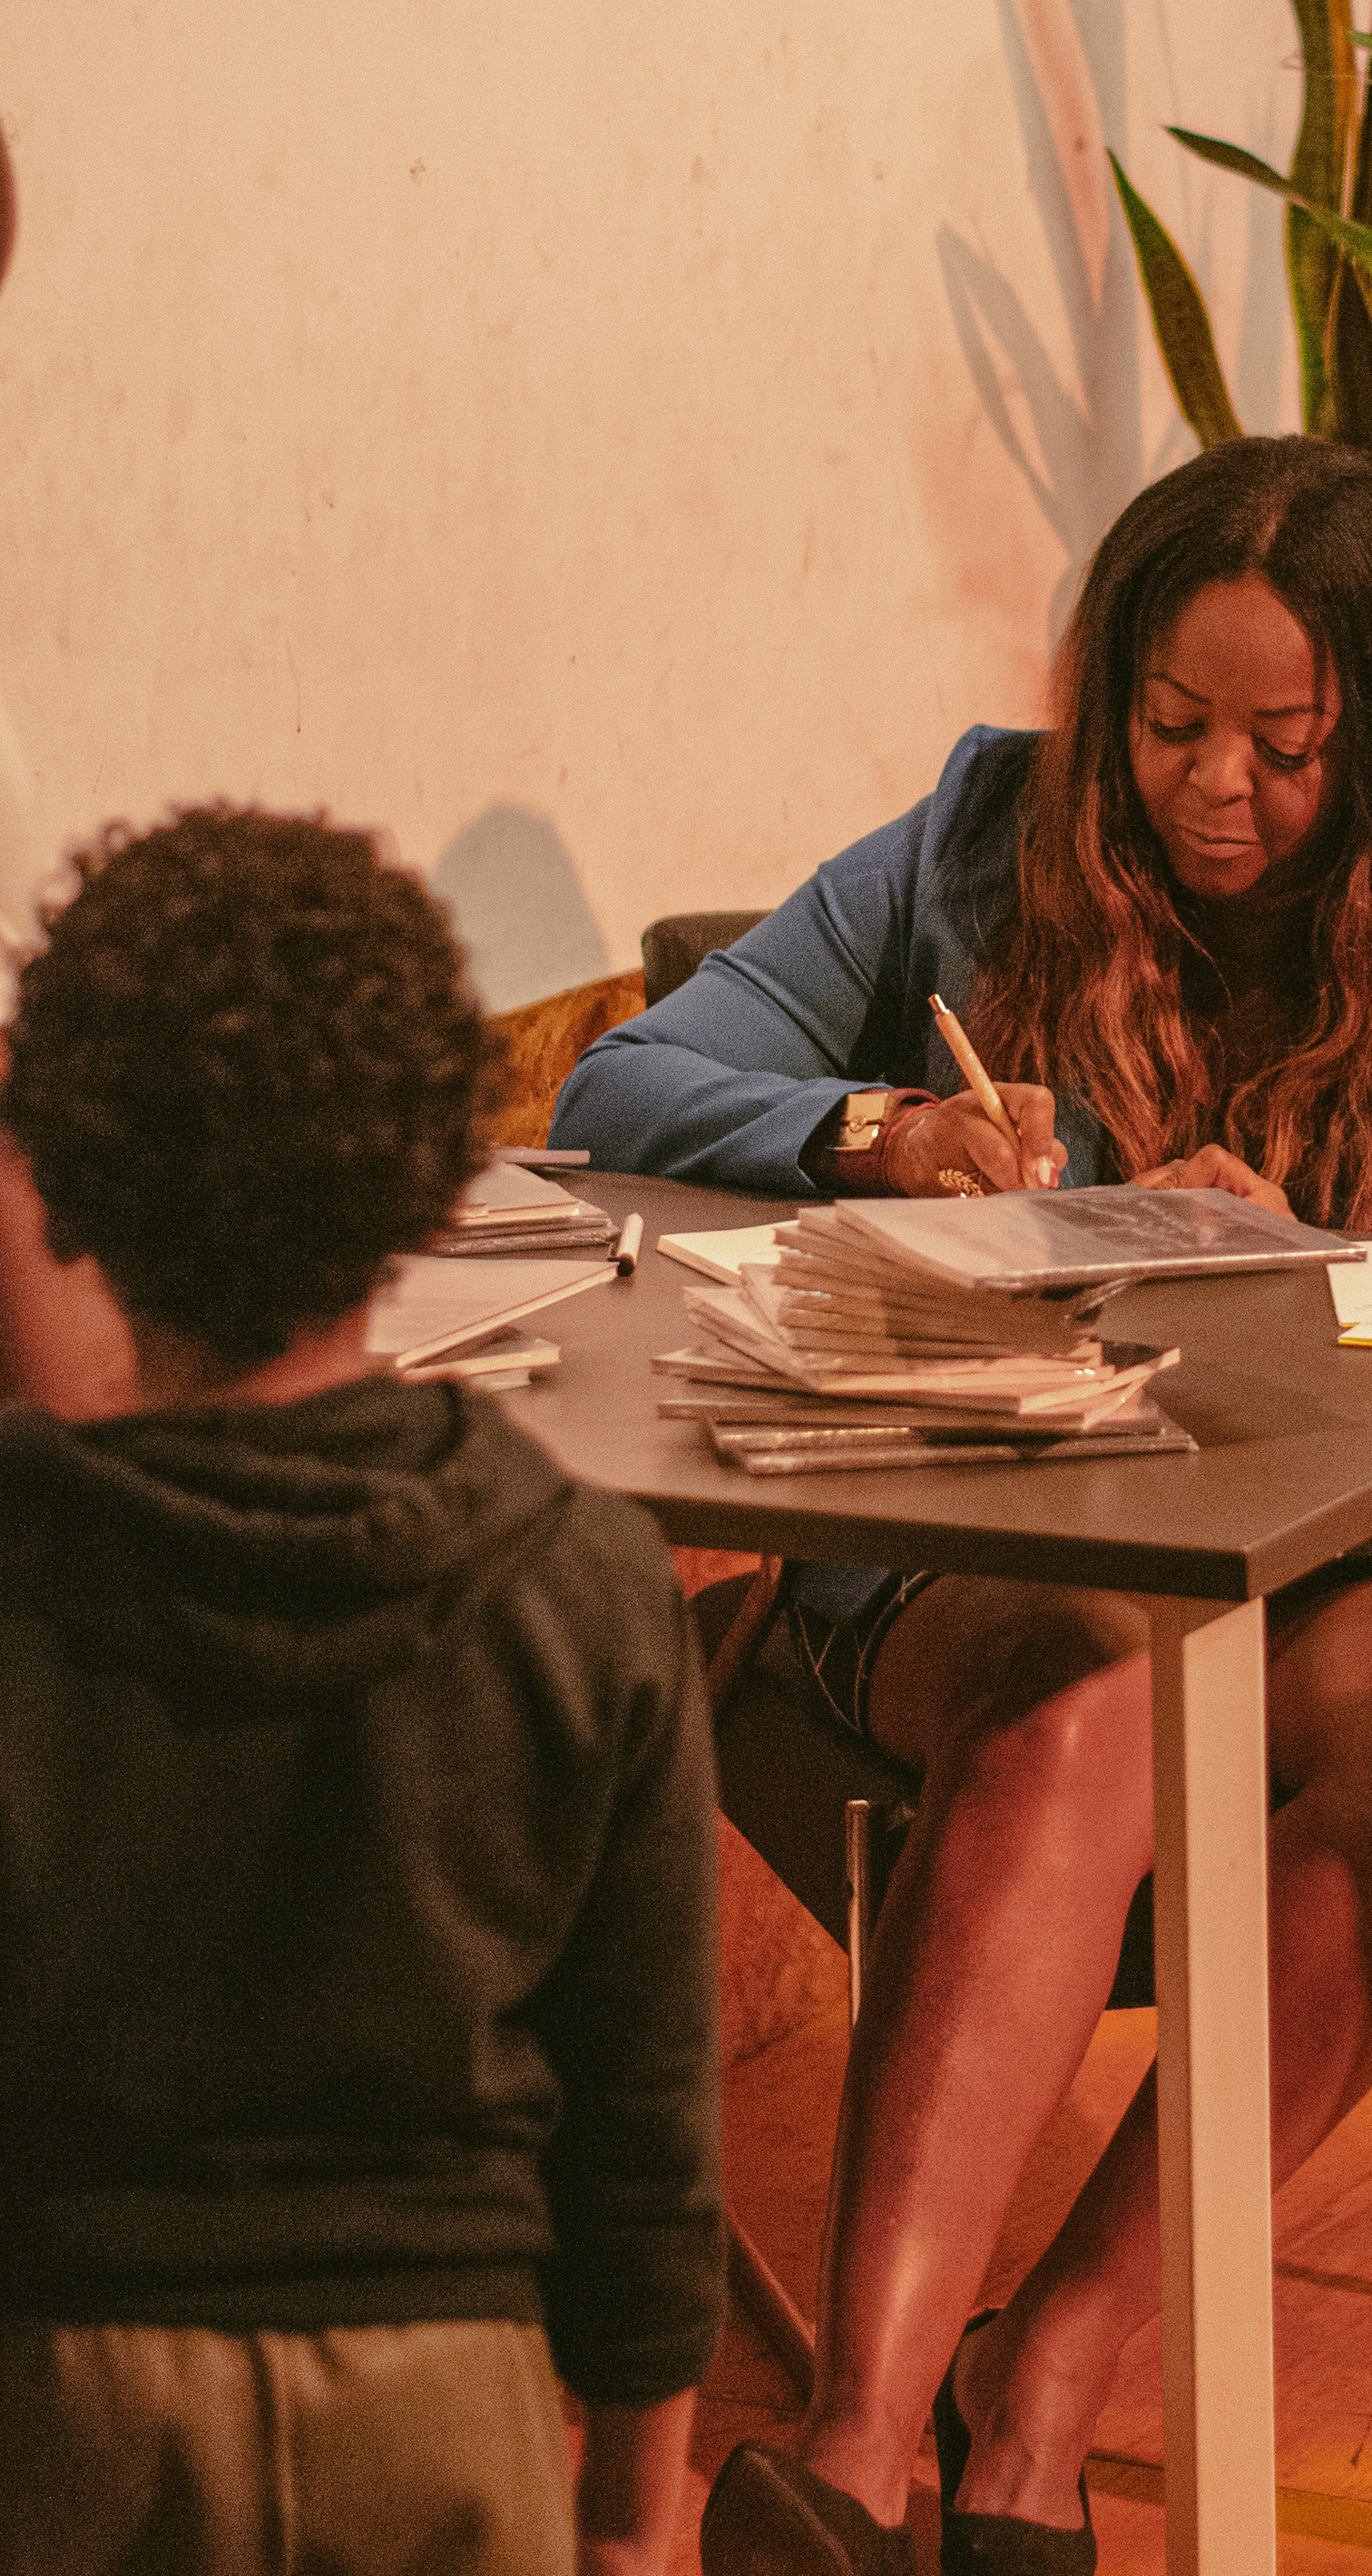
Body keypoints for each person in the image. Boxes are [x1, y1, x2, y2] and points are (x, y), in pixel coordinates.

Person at [563, 435, 1372, 2576]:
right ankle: (860, 2459)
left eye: (1284, 746)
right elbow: (616, 1084)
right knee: (1092, 1673)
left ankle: (1050, 2373)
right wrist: (881, 1129)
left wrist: (1315, 1306)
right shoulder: (985, 835)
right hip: (1019, 1525)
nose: (1214, 789)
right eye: (1170, 727)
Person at [0, 807, 726, 2576]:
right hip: (451, 2396)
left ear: (69, 1185)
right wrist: (633, 2514)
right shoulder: (582, 1573)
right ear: (431, 1180)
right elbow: (648, 2114)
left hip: (66, 2382)